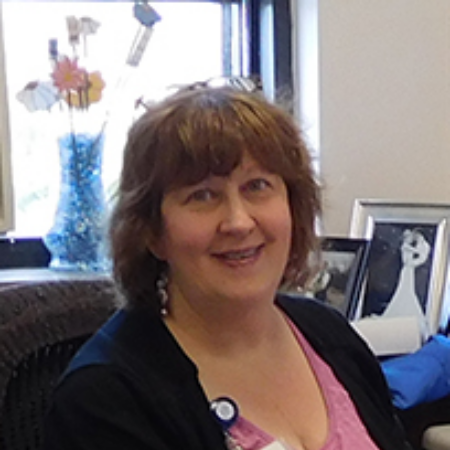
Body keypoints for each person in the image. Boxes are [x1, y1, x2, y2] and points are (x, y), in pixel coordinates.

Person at [42, 80, 412, 450]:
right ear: (152, 232)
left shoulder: (329, 334)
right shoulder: (104, 400)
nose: (238, 222)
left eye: (257, 187)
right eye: (202, 196)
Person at [382, 228, 431, 336]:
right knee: (403, 288)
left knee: (407, 290)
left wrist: (412, 262)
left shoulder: (422, 246)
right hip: (406, 270)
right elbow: (405, 254)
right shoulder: (406, 246)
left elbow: (422, 256)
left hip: (410, 269)